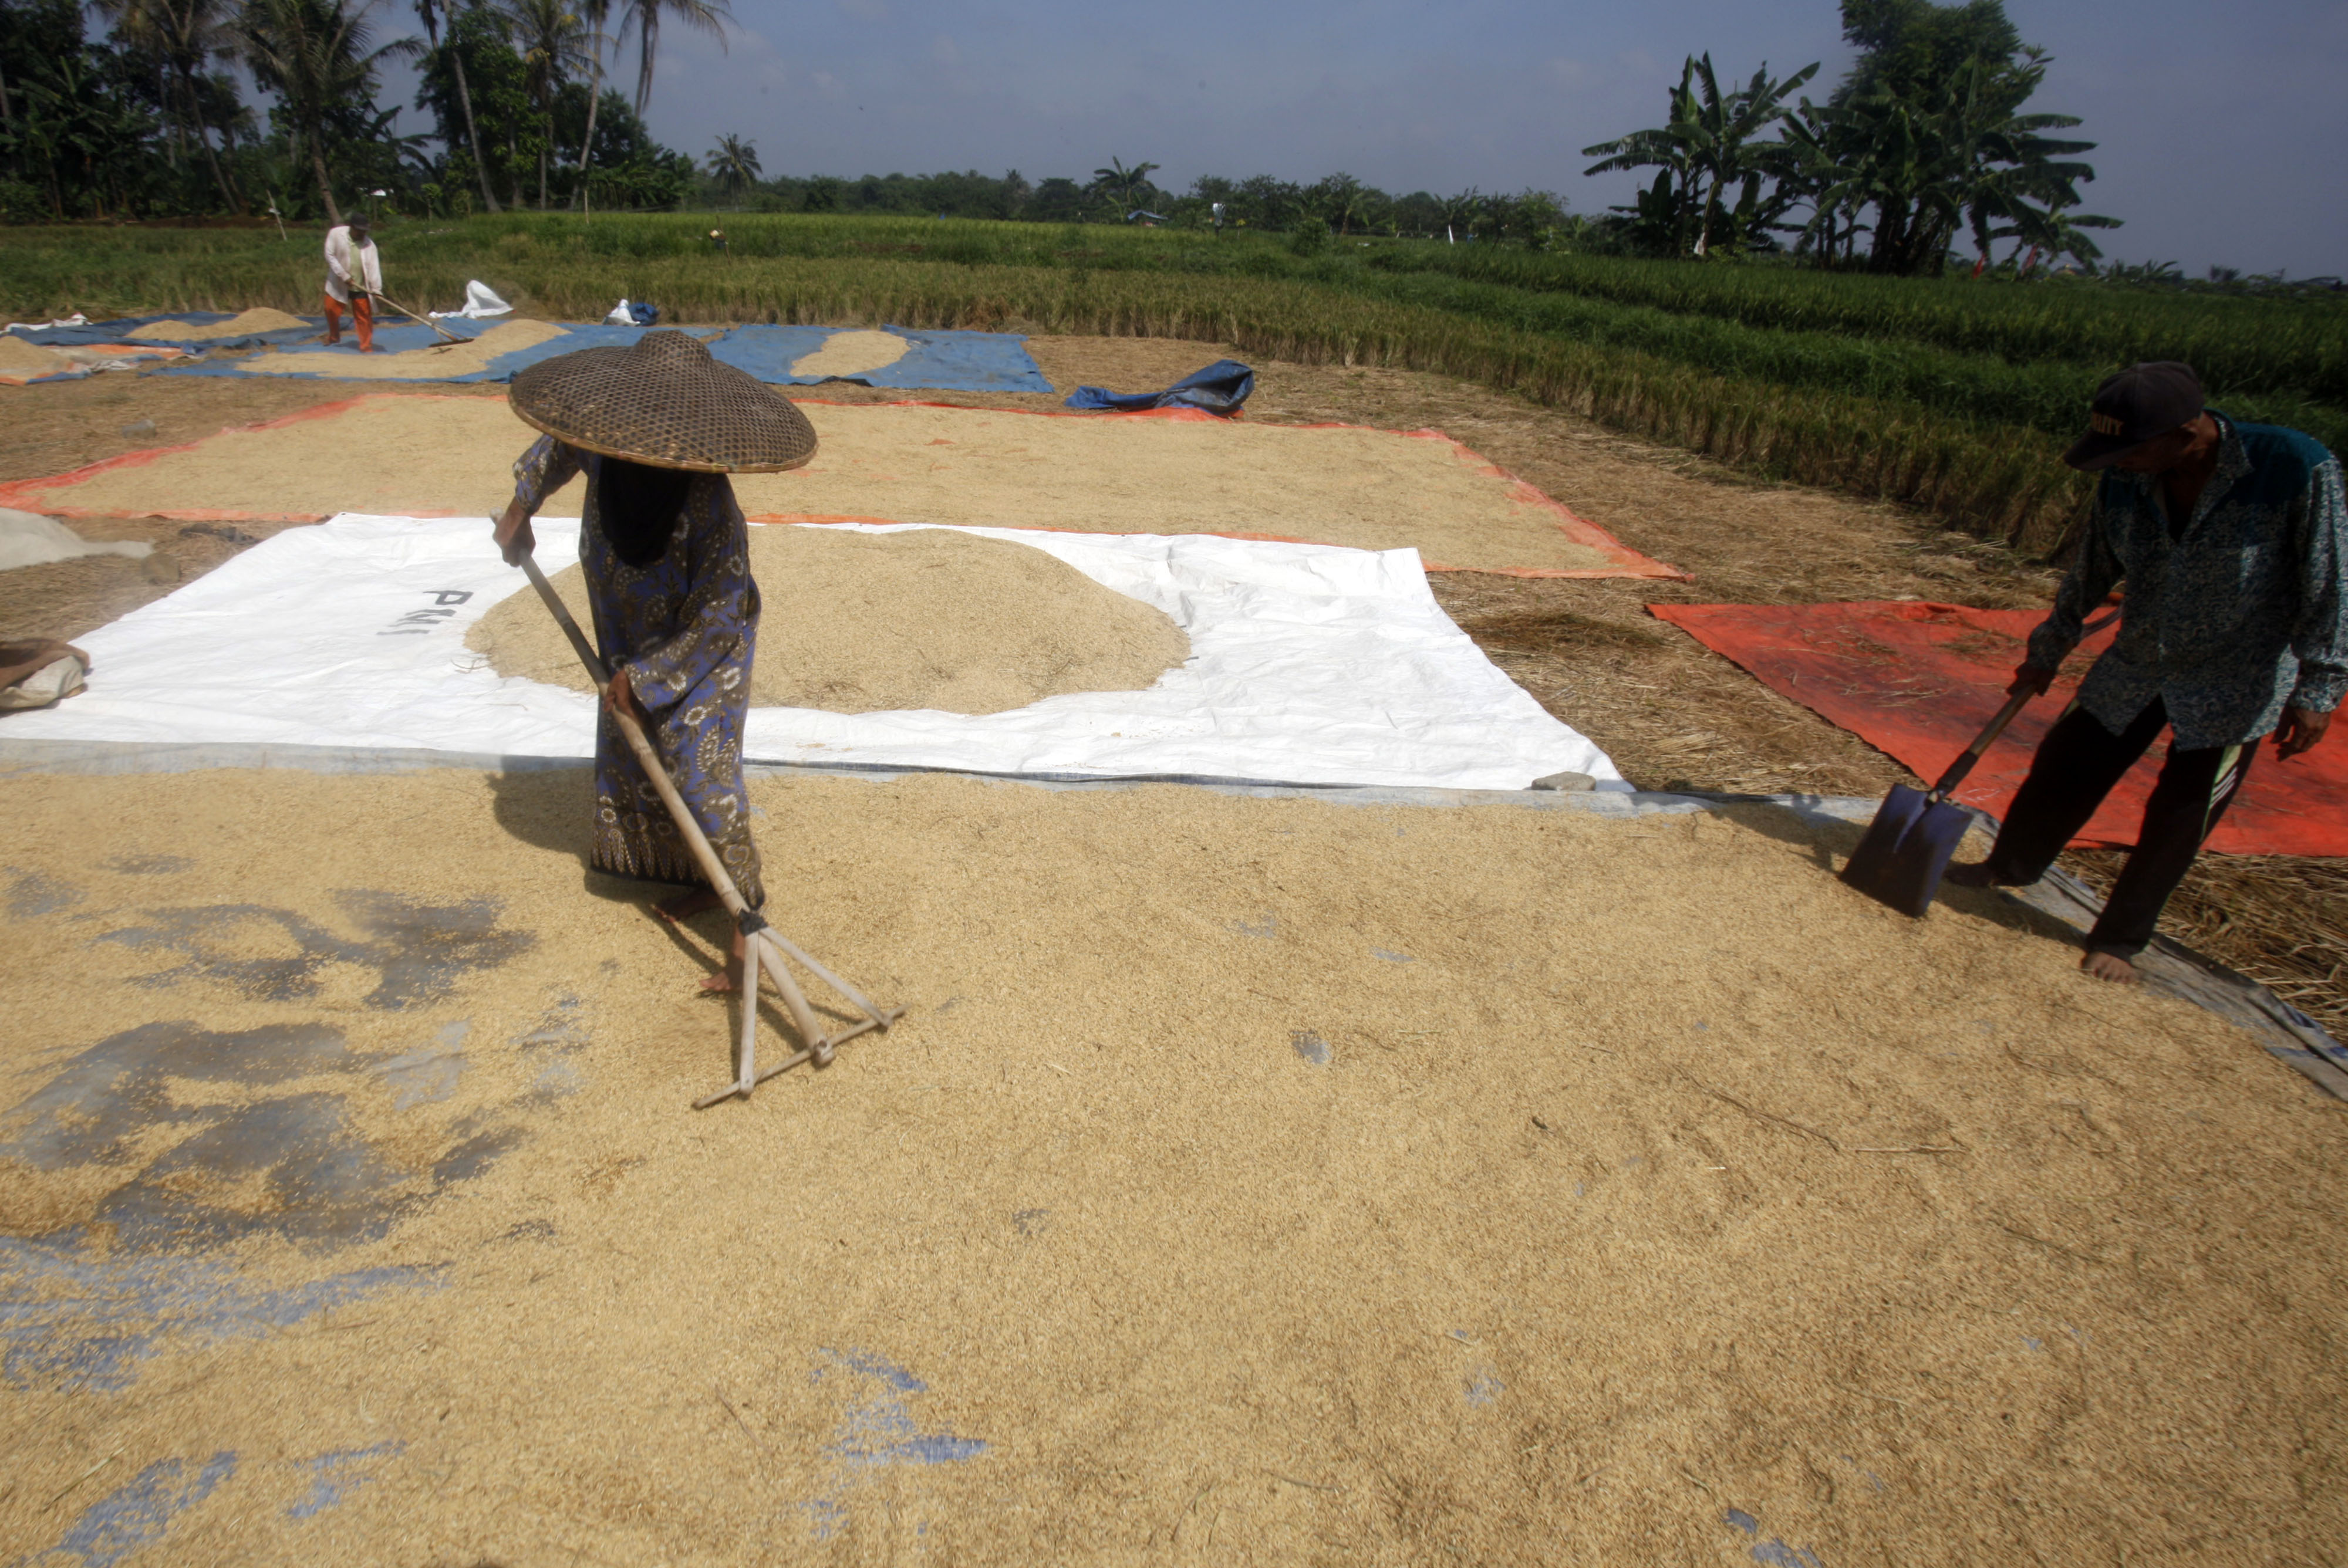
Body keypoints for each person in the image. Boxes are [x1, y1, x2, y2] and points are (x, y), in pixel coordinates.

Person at [1948, 361, 2346, 982]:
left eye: (2129, 450)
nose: (2117, 463)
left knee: (2183, 809)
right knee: (2065, 761)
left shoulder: (2293, 467)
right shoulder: (2126, 479)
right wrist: (2048, 646)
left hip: (2234, 675)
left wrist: (2319, 685)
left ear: (2186, 435)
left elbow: (2329, 581)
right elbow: (2091, 568)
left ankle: (2121, 937)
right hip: (2138, 657)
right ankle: (2009, 866)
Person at [492, 330, 819, 992]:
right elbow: (555, 447)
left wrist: (647, 677)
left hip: (702, 650)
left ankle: (743, 915)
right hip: (625, 627)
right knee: (642, 750)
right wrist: (519, 510)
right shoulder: (606, 452)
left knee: (700, 769)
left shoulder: (708, 505)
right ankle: (698, 876)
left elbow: (721, 613)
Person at [323, 213, 380, 352]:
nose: (362, 233)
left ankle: (366, 346)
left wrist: (377, 289)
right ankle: (334, 336)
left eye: (364, 231)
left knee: (363, 316)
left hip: (360, 285)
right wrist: (344, 275)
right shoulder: (336, 234)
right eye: (359, 230)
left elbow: (374, 268)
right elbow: (329, 255)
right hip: (339, 281)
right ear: (351, 227)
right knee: (330, 309)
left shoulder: (370, 245)